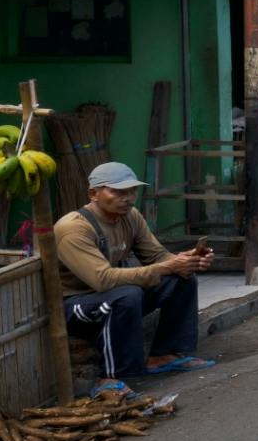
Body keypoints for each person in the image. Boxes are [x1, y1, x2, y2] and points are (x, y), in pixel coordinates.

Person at [54, 163, 216, 387]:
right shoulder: (73, 228)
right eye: (119, 192)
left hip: (113, 294)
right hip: (75, 305)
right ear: (93, 194)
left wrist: (186, 260)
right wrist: (165, 267)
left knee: (181, 279)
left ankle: (162, 355)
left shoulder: (131, 216)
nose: (128, 198)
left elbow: (157, 255)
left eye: (132, 191)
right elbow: (102, 280)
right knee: (127, 295)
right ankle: (111, 378)